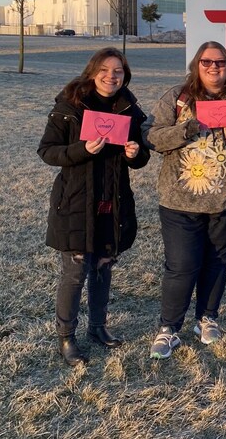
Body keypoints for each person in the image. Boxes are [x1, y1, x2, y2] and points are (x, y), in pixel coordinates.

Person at [143, 41, 226, 359]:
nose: (214, 68)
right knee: (182, 265)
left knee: (217, 261)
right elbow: (151, 135)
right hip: (180, 201)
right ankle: (169, 328)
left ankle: (207, 317)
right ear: (196, 66)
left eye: (220, 62)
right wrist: (184, 130)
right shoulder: (178, 97)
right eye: (206, 62)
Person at [37, 47, 150, 367]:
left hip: (112, 201)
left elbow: (141, 157)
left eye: (118, 71)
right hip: (76, 201)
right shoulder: (70, 105)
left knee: (103, 267)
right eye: (104, 69)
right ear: (92, 71)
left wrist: (133, 153)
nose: (111, 76)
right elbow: (47, 151)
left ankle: (98, 327)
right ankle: (66, 336)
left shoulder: (128, 108)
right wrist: (82, 149)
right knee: (75, 271)